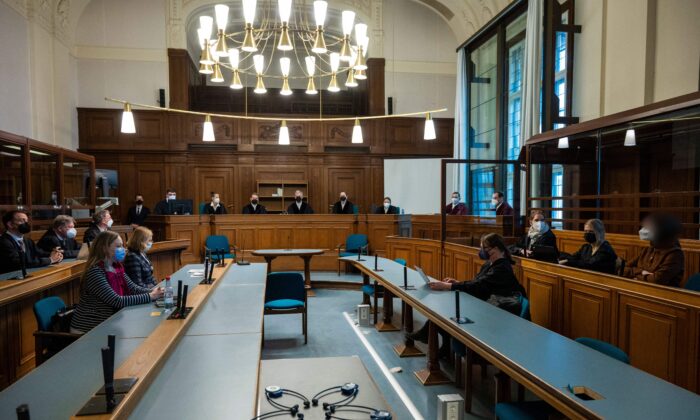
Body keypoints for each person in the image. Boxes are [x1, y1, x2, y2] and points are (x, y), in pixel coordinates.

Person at [410, 233, 527, 353]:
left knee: (450, 310)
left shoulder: (502, 267)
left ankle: (428, 336)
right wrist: (457, 282)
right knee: (447, 309)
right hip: (483, 304)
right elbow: (477, 282)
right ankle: (439, 342)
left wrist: (448, 286)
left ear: (495, 249)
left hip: (493, 314)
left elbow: (478, 286)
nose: (481, 251)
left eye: (484, 248)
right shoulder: (490, 263)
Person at [70, 231, 163, 334]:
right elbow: (116, 300)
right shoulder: (95, 271)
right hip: (88, 329)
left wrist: (158, 292)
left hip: (109, 323)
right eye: (118, 246)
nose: (123, 249)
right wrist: (151, 296)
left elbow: (134, 289)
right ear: (104, 248)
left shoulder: (116, 268)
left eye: (122, 246)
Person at [623, 214, 684, 287]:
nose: (644, 230)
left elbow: (656, 280)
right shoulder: (648, 249)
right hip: (641, 289)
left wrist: (635, 276)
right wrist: (641, 272)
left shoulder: (675, 254)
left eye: (649, 227)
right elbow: (624, 269)